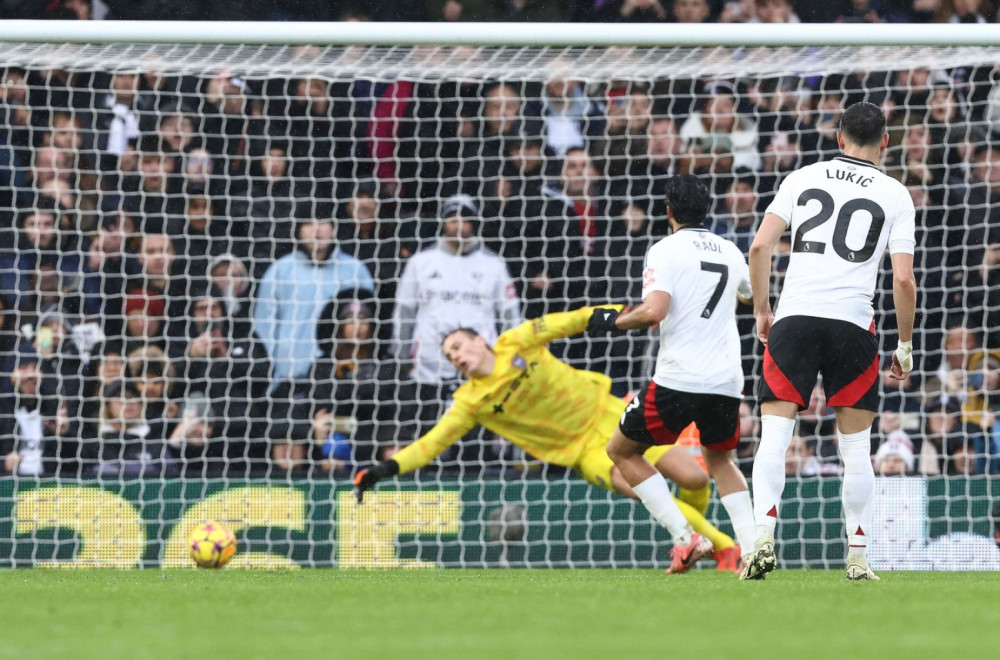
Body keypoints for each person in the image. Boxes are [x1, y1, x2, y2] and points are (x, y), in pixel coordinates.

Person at [353, 307, 743, 573]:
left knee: (693, 479)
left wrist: (630, 312)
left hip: (610, 414)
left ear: (479, 340)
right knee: (643, 488)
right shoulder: (469, 402)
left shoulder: (519, 341)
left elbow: (571, 320)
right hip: (583, 451)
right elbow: (431, 444)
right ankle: (725, 548)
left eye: (456, 346)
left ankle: (694, 543)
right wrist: (385, 469)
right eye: (448, 355)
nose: (454, 356)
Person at [744, 102, 917, 581]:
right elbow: (903, 280)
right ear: (886, 141)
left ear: (839, 137)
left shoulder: (802, 177)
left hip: (795, 317)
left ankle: (763, 536)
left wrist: (763, 310)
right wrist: (904, 346)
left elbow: (759, 247)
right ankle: (858, 554)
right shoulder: (896, 193)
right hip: (853, 324)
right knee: (856, 447)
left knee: (775, 436)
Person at [586, 174, 757, 575]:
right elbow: (750, 296)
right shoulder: (731, 250)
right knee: (721, 462)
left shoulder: (664, 249)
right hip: (727, 381)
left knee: (620, 451)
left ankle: (685, 537)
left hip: (679, 378)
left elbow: (655, 311)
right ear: (708, 209)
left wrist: (614, 321)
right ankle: (754, 549)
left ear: (668, 212)